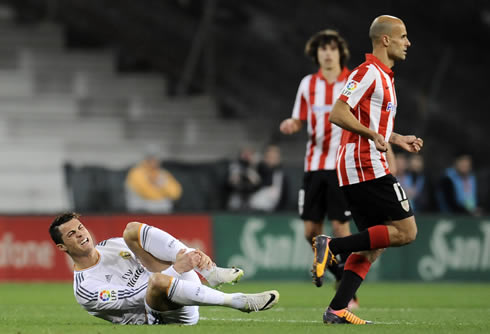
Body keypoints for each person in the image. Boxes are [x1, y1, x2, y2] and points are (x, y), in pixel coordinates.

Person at [313, 15, 423, 324]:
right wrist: (372, 135)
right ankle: (331, 245)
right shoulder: (368, 72)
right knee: (406, 231)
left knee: (374, 246)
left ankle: (336, 309)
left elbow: (374, 125)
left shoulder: (384, 76)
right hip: (363, 164)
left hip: (362, 163)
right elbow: (337, 113)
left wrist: (396, 137)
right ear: (385, 39)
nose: (408, 42)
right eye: (403, 36)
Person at [48, 212, 279, 325]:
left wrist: (186, 257)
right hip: (164, 315)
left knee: (131, 231)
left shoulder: (109, 245)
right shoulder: (85, 288)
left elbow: (158, 254)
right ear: (61, 247)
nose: (80, 234)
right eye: (71, 234)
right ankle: (238, 301)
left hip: (181, 286)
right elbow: (136, 298)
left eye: (80, 228)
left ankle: (211, 272)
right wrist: (176, 269)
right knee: (156, 282)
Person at [279, 29, 357, 306]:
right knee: (311, 232)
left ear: (340, 53)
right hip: (313, 166)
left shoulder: (352, 81)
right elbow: (299, 117)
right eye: (322, 48)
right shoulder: (307, 84)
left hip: (341, 165)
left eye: (332, 48)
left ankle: (350, 292)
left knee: (340, 226)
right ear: (316, 54)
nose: (327, 53)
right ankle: (338, 273)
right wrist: (293, 124)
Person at [249, 145, 287, 212]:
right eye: (269, 157)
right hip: (252, 210)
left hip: (273, 213)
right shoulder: (257, 171)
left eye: (275, 157)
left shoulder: (282, 176)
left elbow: (284, 198)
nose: (271, 160)